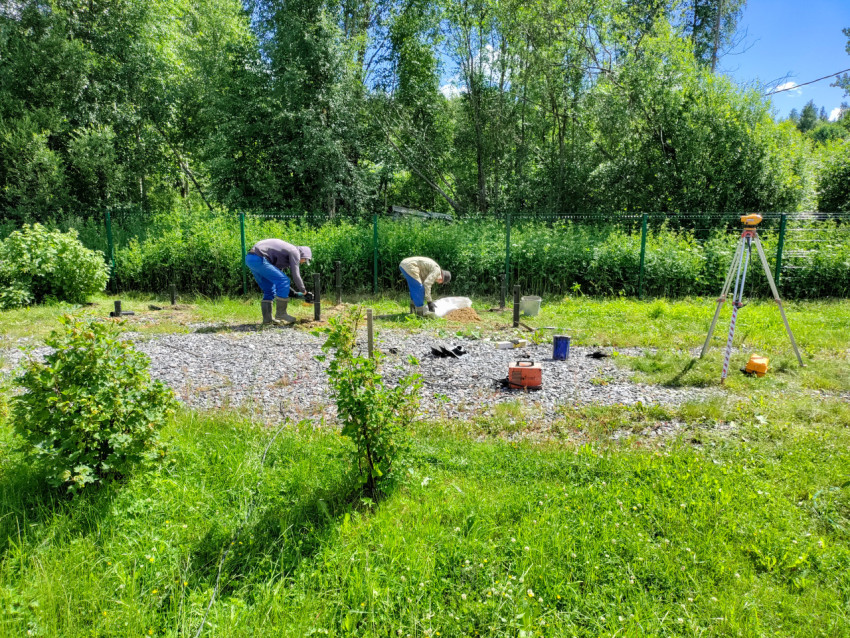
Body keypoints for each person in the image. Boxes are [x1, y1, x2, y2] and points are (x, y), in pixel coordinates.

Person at [245, 239, 312, 324]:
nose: (303, 263)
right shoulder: (295, 252)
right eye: (305, 260)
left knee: (269, 290)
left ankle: (267, 320)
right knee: (284, 280)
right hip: (260, 258)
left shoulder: (284, 253)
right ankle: (281, 314)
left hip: (250, 258)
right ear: (304, 255)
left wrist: (294, 293)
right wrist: (304, 291)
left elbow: (278, 279)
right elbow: (295, 275)